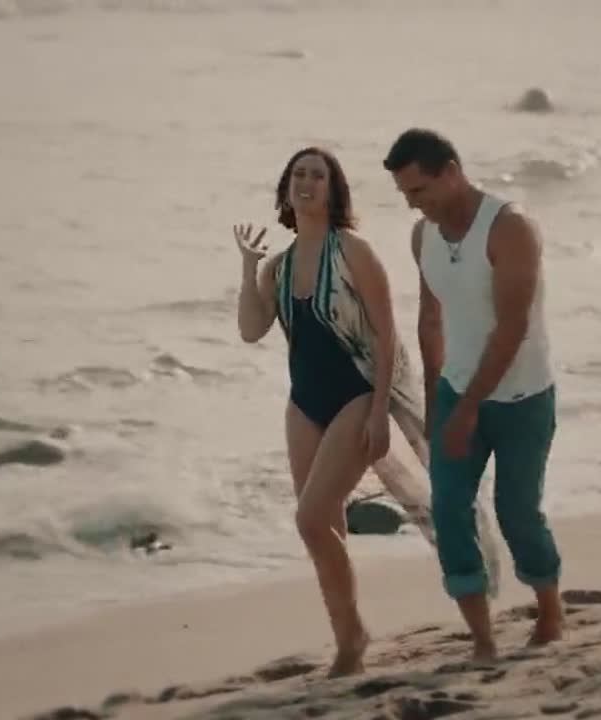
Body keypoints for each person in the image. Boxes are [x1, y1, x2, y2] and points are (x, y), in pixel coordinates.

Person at [232, 146, 501, 677]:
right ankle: (348, 641)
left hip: (357, 395)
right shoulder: (278, 267)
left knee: (309, 518)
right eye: (299, 174)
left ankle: (361, 636)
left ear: (333, 191)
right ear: (286, 188)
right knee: (323, 524)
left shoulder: (352, 250)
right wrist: (248, 268)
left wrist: (379, 412)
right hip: (304, 404)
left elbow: (386, 335)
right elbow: (250, 329)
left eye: (318, 175)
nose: (307, 182)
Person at [382, 128, 564, 660]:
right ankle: (483, 640)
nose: (413, 204)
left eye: (419, 190)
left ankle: (550, 609)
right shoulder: (423, 236)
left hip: (523, 397)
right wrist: (435, 398)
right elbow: (430, 317)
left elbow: (513, 328)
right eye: (405, 194)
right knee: (449, 511)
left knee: (517, 513)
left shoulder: (510, 228)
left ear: (452, 173)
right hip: (455, 392)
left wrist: (466, 410)